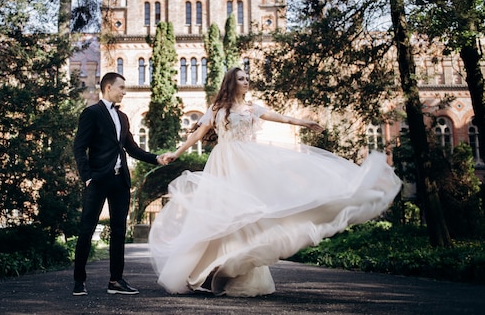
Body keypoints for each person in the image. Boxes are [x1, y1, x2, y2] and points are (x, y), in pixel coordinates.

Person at [149, 67, 402, 297]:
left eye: (248, 78)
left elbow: (281, 117)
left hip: (246, 165)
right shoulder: (217, 109)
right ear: (231, 83)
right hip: (223, 163)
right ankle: (208, 270)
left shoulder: (252, 109)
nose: (246, 82)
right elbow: (197, 133)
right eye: (241, 79)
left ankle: (236, 272)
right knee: (221, 216)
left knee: (249, 217)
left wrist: (304, 122)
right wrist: (176, 153)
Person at [72, 72, 167, 296]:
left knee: (118, 231)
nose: (124, 91)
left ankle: (115, 281)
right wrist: (87, 176)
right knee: (87, 229)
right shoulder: (92, 113)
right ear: (108, 88)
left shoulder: (123, 117)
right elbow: (79, 147)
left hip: (120, 180)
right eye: (121, 87)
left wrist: (157, 158)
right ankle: (79, 281)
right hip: (97, 180)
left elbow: (132, 149)